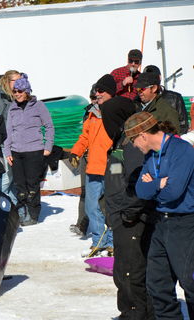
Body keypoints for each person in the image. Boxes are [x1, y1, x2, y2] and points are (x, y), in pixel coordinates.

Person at [128, 112, 194, 319]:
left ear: (143, 135)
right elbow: (141, 191)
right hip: (160, 222)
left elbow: (174, 192)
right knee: (157, 284)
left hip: (184, 223)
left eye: (132, 140)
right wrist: (159, 183)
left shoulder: (181, 150)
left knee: (189, 282)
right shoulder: (151, 156)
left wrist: (153, 186)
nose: (133, 146)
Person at [100, 83, 155, 318]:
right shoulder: (119, 143)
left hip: (130, 219)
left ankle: (135, 313)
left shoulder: (131, 145)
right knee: (125, 269)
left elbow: (139, 184)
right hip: (120, 217)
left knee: (130, 271)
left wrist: (128, 213)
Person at [68, 76, 115, 256]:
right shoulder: (92, 113)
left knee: (111, 206)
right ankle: (99, 241)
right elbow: (85, 137)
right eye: (96, 93)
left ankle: (112, 241)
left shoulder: (117, 111)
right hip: (94, 165)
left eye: (101, 91)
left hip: (112, 167)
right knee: (90, 205)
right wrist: (76, 152)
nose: (97, 95)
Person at [3, 73, 54, 226]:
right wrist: (7, 151)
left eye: (20, 91)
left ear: (27, 91)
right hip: (16, 152)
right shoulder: (13, 108)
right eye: (15, 92)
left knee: (32, 185)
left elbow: (49, 126)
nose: (17, 94)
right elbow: (8, 131)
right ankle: (22, 211)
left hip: (34, 150)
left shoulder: (39, 106)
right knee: (20, 185)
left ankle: (33, 214)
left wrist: (48, 146)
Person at [0, 70, 21, 206]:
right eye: (15, 80)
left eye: (20, 79)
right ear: (7, 82)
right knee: (6, 179)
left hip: (19, 144)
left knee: (15, 179)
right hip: (5, 145)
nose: (19, 82)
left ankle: (14, 208)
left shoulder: (19, 97)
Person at [142, 64, 188, 134]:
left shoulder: (175, 98)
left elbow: (183, 125)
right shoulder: (140, 100)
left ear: (160, 78)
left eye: (153, 77)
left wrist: (173, 141)